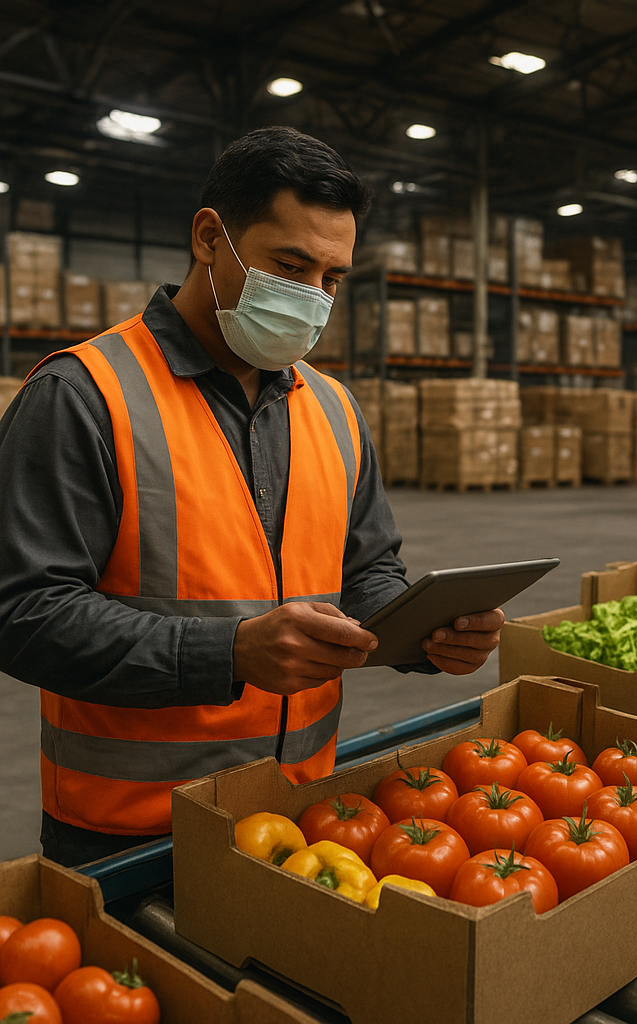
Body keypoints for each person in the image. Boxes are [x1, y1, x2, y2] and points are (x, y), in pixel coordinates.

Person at [0, 126, 504, 867]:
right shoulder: (84, 396)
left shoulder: (333, 408)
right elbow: (23, 614)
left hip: (300, 812)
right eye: (290, 265)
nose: (311, 297)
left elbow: (367, 575)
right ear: (211, 237)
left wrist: (425, 636)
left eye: (331, 278)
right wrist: (230, 652)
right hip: (130, 832)